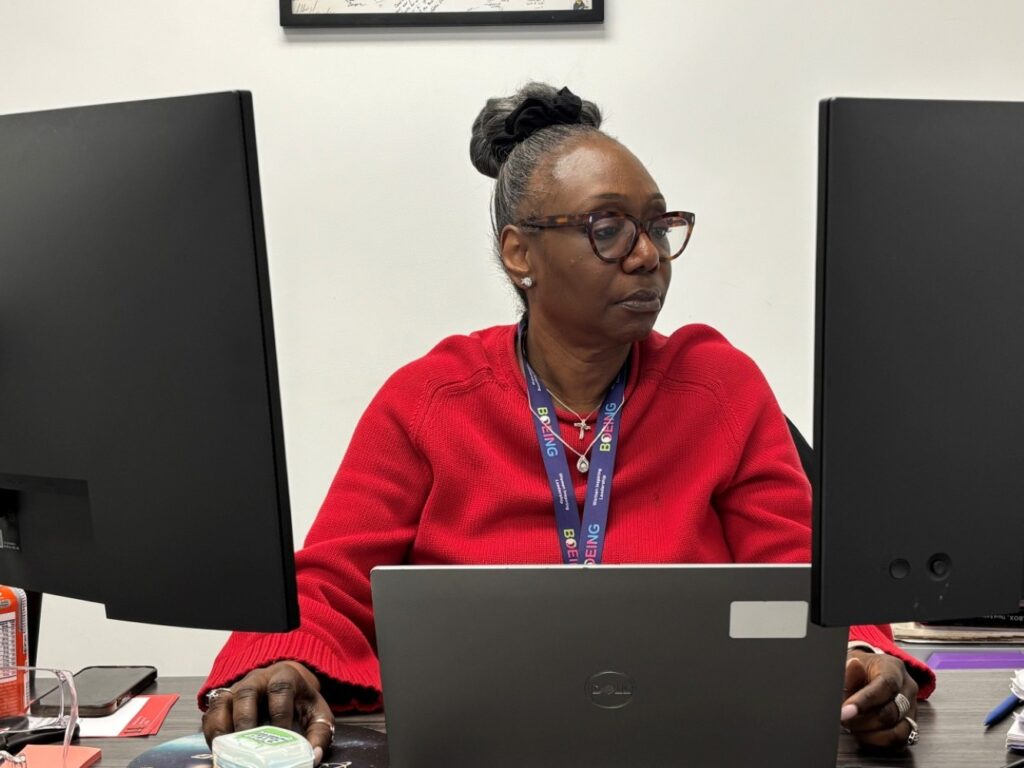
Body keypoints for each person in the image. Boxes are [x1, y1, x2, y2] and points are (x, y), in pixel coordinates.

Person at [200, 82, 935, 759]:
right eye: (609, 228)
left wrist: (858, 660)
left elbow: (802, 574)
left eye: (659, 225)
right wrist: (279, 662)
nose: (648, 256)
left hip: (695, 746)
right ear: (520, 252)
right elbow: (328, 585)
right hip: (477, 749)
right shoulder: (429, 398)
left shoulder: (721, 388)